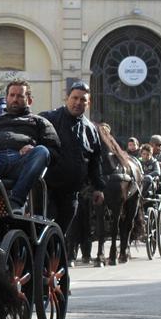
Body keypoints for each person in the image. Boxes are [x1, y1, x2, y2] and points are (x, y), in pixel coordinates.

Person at [0, 78, 60, 213]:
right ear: (6, 98)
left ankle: (16, 202)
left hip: (22, 162)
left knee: (42, 151)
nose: (15, 99)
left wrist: (33, 149)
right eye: (12, 95)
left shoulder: (40, 122)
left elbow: (54, 151)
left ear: (29, 100)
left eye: (20, 96)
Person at [41, 81, 106, 240]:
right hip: (46, 191)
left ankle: (55, 264)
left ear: (88, 103)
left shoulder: (91, 129)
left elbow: (95, 161)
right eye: (74, 98)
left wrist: (98, 187)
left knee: (60, 236)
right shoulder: (47, 119)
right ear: (67, 98)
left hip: (71, 194)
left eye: (82, 100)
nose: (78, 102)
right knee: (44, 233)